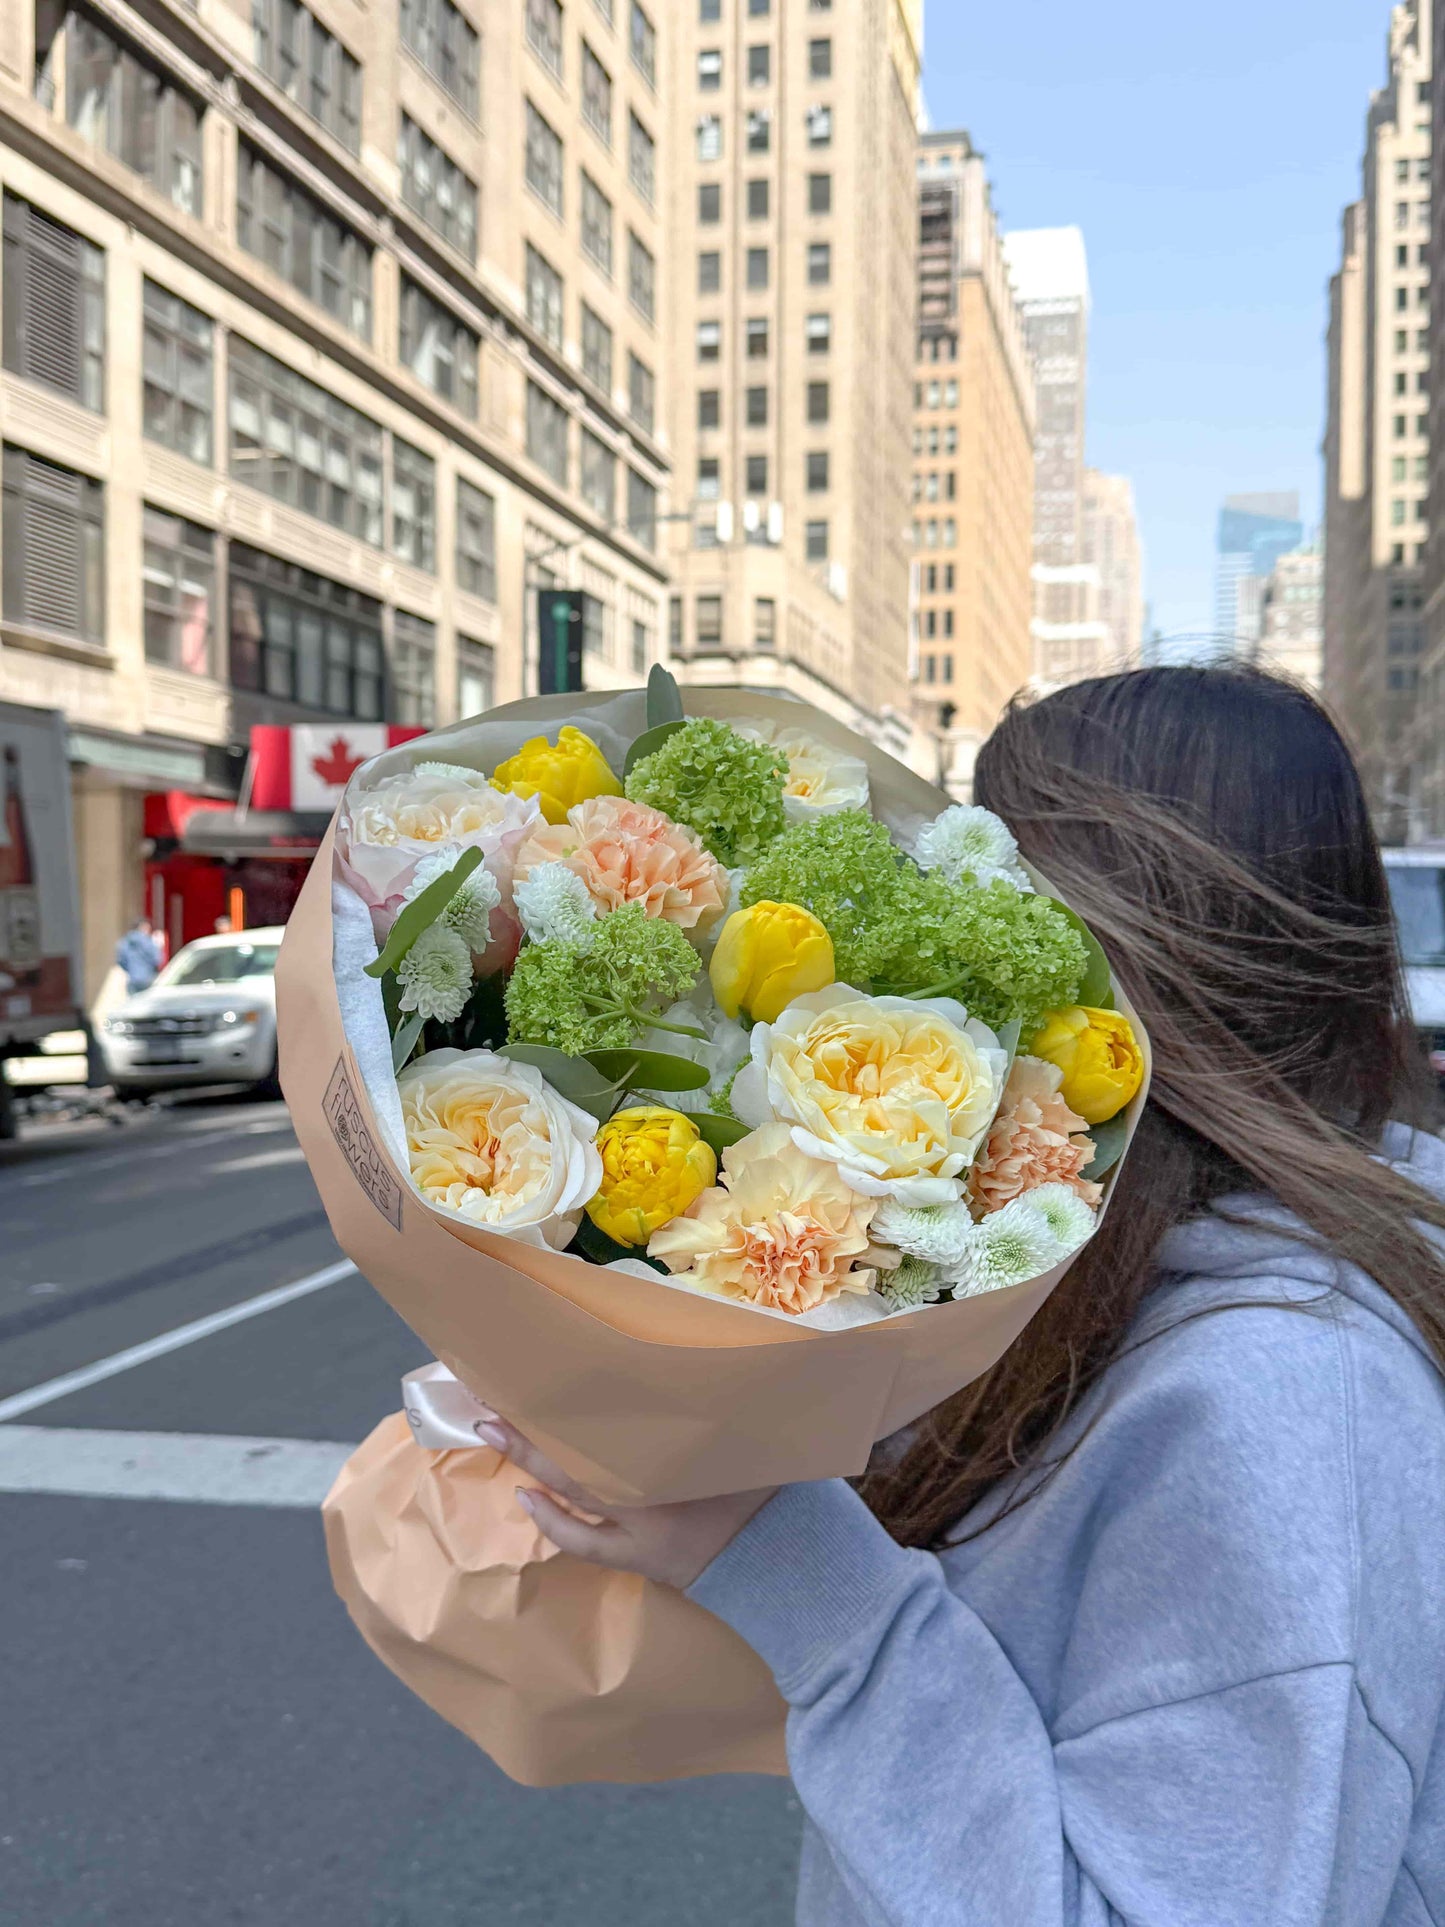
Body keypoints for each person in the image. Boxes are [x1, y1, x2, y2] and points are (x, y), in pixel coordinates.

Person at [480, 666, 1445, 1923]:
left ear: (1088, 937)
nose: (946, 899)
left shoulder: (1279, 1394)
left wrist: (788, 1563)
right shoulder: (1123, 1269)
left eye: (983, 866)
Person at [115, 916, 162, 995]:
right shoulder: (149, 942)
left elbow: (120, 961)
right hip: (148, 979)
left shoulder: (125, 942)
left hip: (133, 979)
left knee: (134, 1004)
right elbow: (157, 959)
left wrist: (131, 969)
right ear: (143, 927)